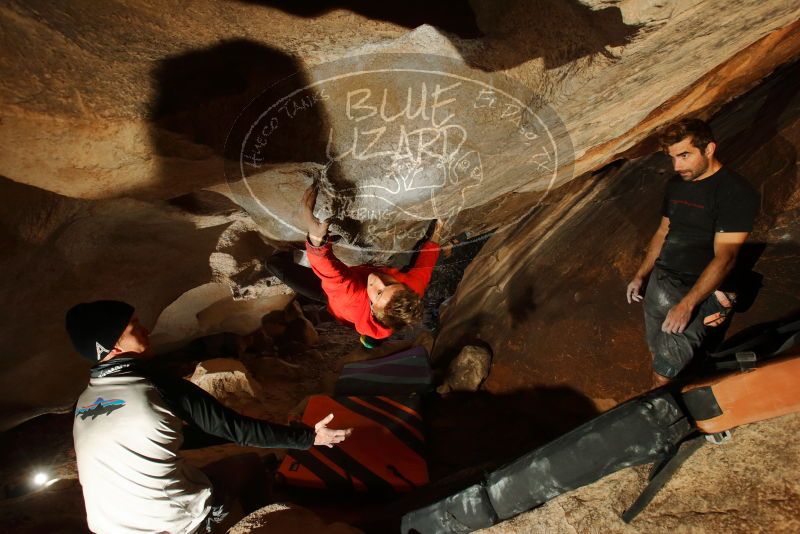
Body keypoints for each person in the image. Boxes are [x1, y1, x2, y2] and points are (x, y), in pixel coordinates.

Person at [66, 300, 352, 534]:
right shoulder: (153, 385)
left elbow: (167, 437)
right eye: (134, 325)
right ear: (114, 345)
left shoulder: (86, 401)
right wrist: (308, 437)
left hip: (107, 527)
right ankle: (265, 525)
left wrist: (263, 430)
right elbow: (236, 429)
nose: (146, 329)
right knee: (249, 465)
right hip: (170, 524)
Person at [626, 118, 759, 386]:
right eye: (672, 157)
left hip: (694, 290)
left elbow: (727, 256)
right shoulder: (677, 184)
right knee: (658, 355)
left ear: (709, 149)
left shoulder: (735, 192)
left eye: (685, 155)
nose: (677, 166)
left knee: (664, 371)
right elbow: (663, 231)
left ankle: (665, 419)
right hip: (661, 281)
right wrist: (641, 274)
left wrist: (687, 304)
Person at [269, 184, 443, 346]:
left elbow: (330, 274)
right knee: (378, 333)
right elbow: (425, 268)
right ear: (403, 286)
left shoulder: (350, 296)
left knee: (273, 264)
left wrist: (316, 240)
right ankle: (369, 339)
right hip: (375, 323)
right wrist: (436, 236)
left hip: (332, 300)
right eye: (390, 283)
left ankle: (368, 339)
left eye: (379, 292)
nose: (378, 281)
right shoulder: (411, 288)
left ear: (373, 309)